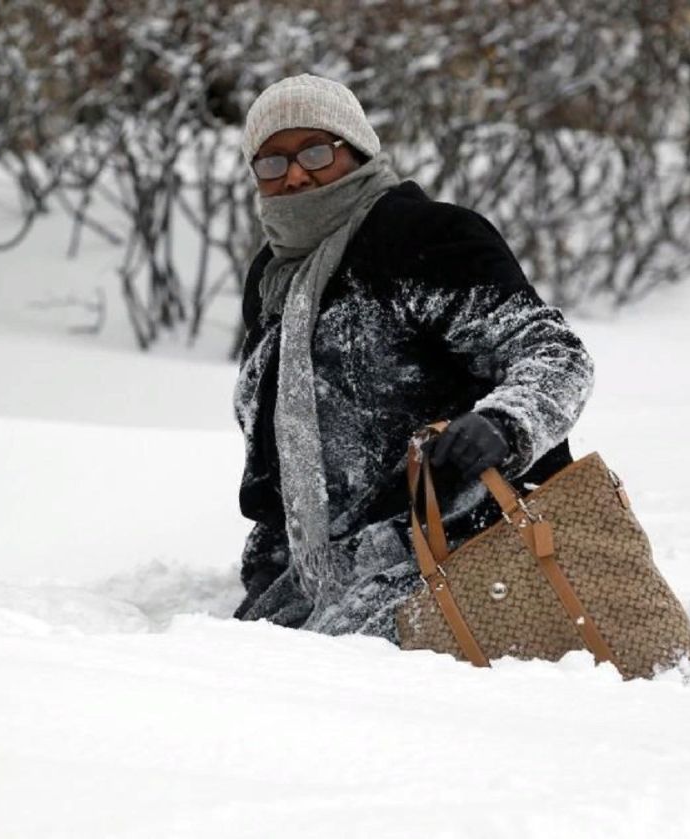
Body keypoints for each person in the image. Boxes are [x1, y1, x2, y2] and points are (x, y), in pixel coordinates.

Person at [231, 73, 595, 643]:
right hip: (317, 570)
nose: (296, 174)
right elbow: (277, 436)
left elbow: (552, 353)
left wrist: (504, 423)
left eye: (315, 151)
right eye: (272, 162)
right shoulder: (274, 277)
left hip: (454, 541)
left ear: (356, 150)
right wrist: (271, 551)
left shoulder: (424, 237)